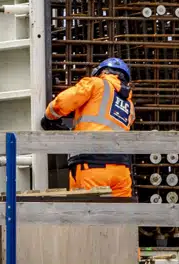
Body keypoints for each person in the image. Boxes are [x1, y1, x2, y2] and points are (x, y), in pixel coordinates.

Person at [41, 57, 135, 198]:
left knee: (87, 215)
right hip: (121, 170)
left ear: (101, 72)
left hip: (91, 166)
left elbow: (63, 102)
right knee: (120, 216)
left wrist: (49, 117)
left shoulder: (97, 84)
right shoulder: (128, 104)